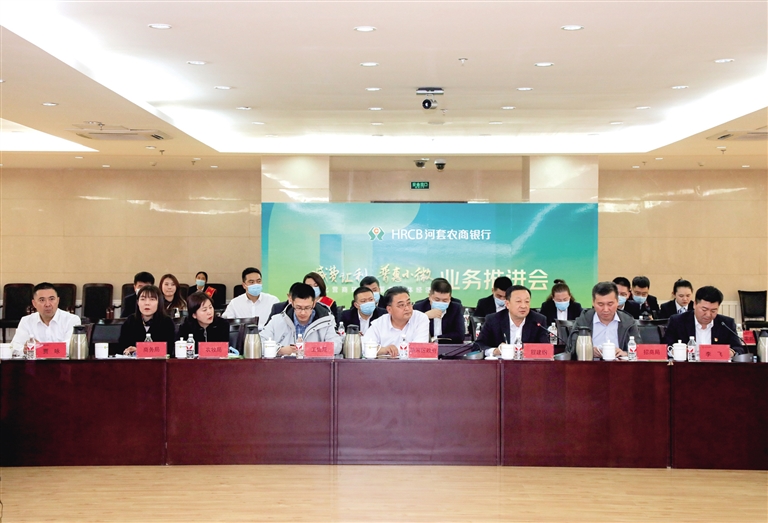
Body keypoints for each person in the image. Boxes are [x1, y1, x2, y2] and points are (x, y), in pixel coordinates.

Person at [260, 283, 341, 356]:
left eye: (307, 308)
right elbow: (259, 343)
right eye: (298, 307)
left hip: (315, 366)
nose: (303, 312)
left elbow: (337, 346)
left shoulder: (326, 321)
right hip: (284, 366)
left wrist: (309, 349)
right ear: (292, 303)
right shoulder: (277, 320)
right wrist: (280, 350)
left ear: (314, 304)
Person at [566, 281, 642, 358]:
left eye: (610, 304)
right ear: (593, 303)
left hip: (619, 364)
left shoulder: (628, 322)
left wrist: (625, 353)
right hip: (590, 364)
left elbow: (640, 350)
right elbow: (570, 349)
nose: (605, 309)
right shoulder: (583, 320)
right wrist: (587, 351)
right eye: (600, 304)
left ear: (617, 302)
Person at [662, 286, 743, 355]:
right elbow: (666, 347)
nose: (708, 314)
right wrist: (677, 351)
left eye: (713, 310)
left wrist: (731, 352)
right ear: (694, 304)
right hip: (687, 367)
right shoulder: (678, 321)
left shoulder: (726, 324)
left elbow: (739, 348)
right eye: (704, 309)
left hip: (717, 367)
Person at [475, 285, 548, 357]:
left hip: (528, 364)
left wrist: (529, 351)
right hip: (501, 363)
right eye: (518, 301)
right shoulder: (493, 320)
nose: (523, 306)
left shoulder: (538, 320)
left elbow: (546, 348)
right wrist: (495, 351)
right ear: (507, 304)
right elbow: (478, 345)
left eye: (527, 301)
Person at [11, 282, 81, 355]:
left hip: (61, 362)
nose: (47, 304)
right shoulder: (26, 321)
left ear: (58, 301)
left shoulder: (72, 320)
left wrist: (41, 348)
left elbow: (71, 347)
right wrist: (24, 350)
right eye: (42, 300)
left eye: (51, 299)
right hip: (35, 362)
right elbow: (14, 347)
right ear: (34, 303)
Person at [364, 286, 430, 357]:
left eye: (408, 303)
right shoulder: (379, 323)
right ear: (389, 309)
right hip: (385, 364)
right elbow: (364, 347)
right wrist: (384, 350)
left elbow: (419, 348)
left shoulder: (420, 318)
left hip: (413, 363)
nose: (407, 308)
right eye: (401, 305)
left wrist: (394, 351)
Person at [118, 285, 176, 356]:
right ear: (137, 302)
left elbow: (168, 350)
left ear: (159, 302)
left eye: (152, 299)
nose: (147, 303)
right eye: (143, 299)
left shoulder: (167, 322)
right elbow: (121, 348)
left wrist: (140, 351)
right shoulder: (130, 321)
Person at [413, 278, 466, 344]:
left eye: (445, 300)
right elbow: (411, 333)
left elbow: (460, 335)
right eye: (437, 300)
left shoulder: (455, 308)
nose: (441, 303)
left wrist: (435, 339)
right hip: (425, 348)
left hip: (447, 347)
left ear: (450, 298)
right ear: (430, 296)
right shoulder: (419, 307)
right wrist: (424, 316)